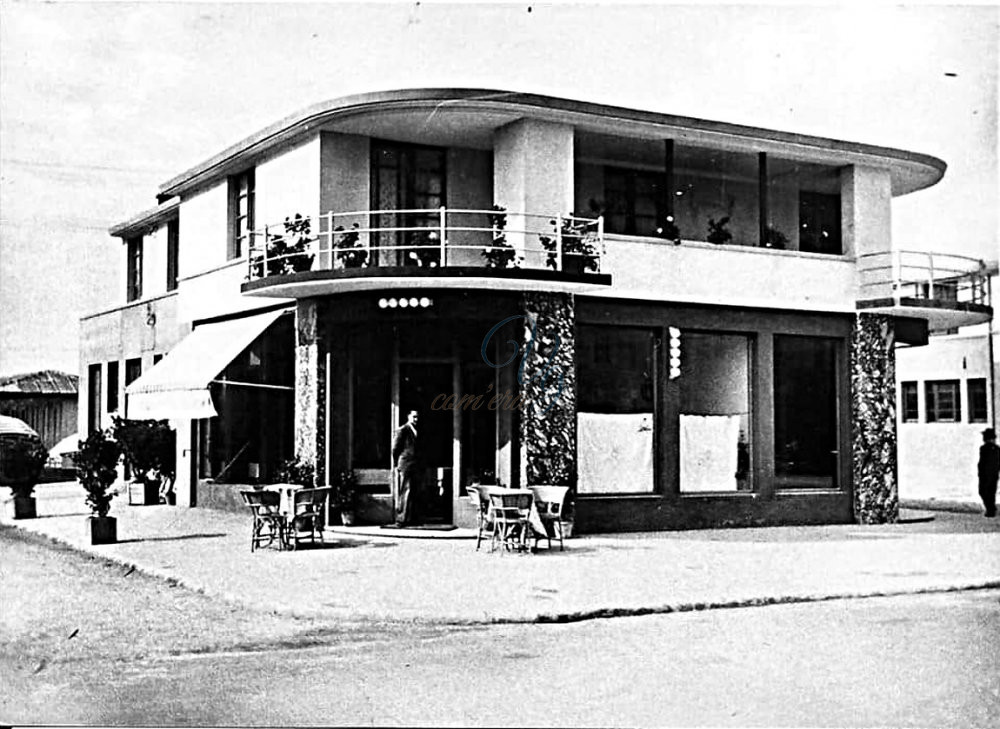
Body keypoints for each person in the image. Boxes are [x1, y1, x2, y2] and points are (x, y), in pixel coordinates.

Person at [392, 410, 421, 526]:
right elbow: (395, 448)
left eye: (417, 417)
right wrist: (397, 463)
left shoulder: (416, 430)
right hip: (405, 464)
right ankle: (400, 519)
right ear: (408, 416)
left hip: (414, 464)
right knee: (405, 490)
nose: (416, 419)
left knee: (413, 491)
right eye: (414, 417)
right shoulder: (402, 430)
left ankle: (410, 518)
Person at [977, 427, 999, 518]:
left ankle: (990, 509)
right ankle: (991, 508)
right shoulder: (997, 449)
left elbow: (982, 462)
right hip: (993, 474)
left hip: (986, 474)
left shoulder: (984, 448)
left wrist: (980, 471)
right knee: (990, 492)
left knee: (983, 491)